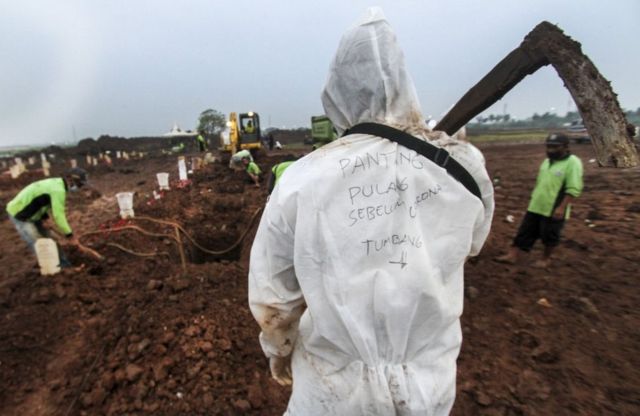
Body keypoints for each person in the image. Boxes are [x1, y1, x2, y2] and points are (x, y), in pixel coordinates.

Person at [248, 8, 494, 415]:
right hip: (427, 386)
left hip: (331, 391)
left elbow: (274, 298)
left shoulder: (302, 179)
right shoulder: (463, 167)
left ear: (336, 92)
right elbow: (472, 245)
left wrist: (279, 351)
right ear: (405, 81)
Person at [495, 133, 583, 268]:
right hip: (536, 205)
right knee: (524, 231)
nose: (550, 150)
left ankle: (545, 259)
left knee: (549, 235)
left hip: (554, 207)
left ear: (566, 147)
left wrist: (561, 208)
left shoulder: (573, 163)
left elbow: (573, 188)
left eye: (555, 147)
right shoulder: (547, 162)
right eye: (549, 147)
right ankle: (513, 255)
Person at [6, 168, 89, 268]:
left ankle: (64, 266)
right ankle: (51, 270)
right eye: (79, 184)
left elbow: (42, 201)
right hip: (21, 214)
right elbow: (59, 216)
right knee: (40, 243)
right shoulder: (58, 190)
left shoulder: (58, 183)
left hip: (36, 214)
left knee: (52, 240)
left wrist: (45, 218)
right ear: (71, 180)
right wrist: (70, 236)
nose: (79, 187)